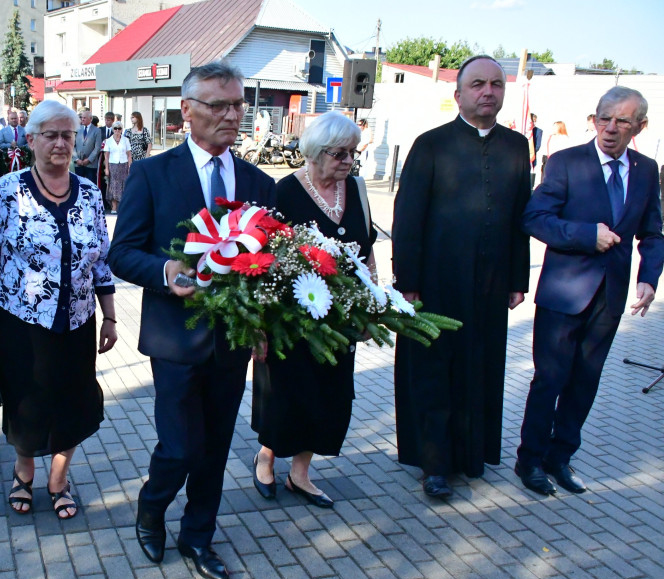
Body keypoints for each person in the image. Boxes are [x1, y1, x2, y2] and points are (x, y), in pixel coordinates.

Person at [108, 62, 275, 579]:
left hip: (232, 342)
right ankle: (151, 508)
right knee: (179, 447)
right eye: (219, 105)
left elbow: (270, 263)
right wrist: (164, 270)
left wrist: (263, 326)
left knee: (216, 447)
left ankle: (198, 535)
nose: (232, 116)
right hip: (175, 339)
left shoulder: (256, 182)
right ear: (187, 111)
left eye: (238, 105)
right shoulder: (152, 174)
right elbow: (122, 253)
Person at [391, 55, 531, 500]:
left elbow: (519, 219)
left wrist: (517, 278)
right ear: (458, 94)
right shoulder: (430, 144)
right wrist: (407, 281)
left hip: (490, 287)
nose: (487, 91)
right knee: (434, 370)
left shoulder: (514, 146)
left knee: (480, 368)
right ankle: (434, 464)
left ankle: (472, 455)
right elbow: (407, 217)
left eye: (495, 84)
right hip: (435, 283)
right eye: (477, 84)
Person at [515, 86, 664, 496]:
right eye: (604, 118)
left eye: (622, 122)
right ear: (594, 119)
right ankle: (529, 460)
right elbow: (535, 218)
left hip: (611, 296)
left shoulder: (648, 170)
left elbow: (653, 232)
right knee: (550, 378)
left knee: (586, 380)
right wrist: (585, 236)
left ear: (640, 127)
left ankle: (559, 458)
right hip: (565, 292)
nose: (610, 129)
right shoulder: (565, 163)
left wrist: (649, 277)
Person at [0, 99, 117, 520]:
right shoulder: (7, 191)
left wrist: (110, 314)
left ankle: (59, 477)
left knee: (73, 399)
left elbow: (102, 258)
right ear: (31, 139)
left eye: (67, 135)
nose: (60, 144)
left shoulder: (91, 193)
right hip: (20, 321)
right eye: (51, 135)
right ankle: (24, 471)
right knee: (26, 400)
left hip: (77, 319)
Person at [252, 112, 376, 509]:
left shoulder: (356, 189)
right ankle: (267, 456)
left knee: (329, 395)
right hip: (291, 319)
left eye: (352, 153)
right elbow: (265, 255)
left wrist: (372, 302)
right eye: (340, 153)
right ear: (316, 153)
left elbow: (367, 249)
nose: (348, 161)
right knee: (287, 393)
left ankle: (300, 474)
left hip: (340, 319)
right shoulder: (283, 192)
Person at [102, 121, 130, 214]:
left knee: (123, 185)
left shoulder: (126, 140)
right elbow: (106, 155)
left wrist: (130, 166)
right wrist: (106, 168)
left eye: (119, 128)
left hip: (123, 164)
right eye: (115, 128)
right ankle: (114, 206)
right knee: (113, 185)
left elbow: (129, 154)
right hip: (113, 165)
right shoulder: (109, 140)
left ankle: (122, 206)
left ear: (122, 130)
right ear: (113, 129)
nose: (117, 130)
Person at [74, 109, 100, 184]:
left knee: (90, 186)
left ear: (90, 119)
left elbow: (97, 148)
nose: (82, 119)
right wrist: (76, 159)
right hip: (78, 164)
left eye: (84, 118)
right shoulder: (78, 129)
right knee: (78, 185)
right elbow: (73, 145)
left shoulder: (97, 131)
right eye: (82, 117)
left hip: (91, 165)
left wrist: (88, 160)